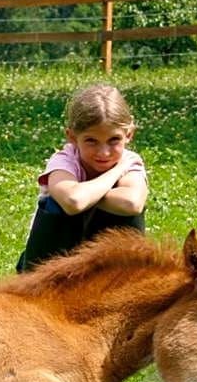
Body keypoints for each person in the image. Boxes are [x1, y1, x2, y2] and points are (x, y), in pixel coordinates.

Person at [17, 83, 147, 272]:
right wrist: (115, 173)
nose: (104, 153)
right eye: (91, 141)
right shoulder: (64, 161)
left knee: (126, 212)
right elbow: (74, 201)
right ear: (71, 136)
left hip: (109, 266)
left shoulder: (130, 161)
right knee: (57, 205)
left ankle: (125, 281)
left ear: (129, 135)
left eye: (114, 140)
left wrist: (86, 193)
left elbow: (132, 203)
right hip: (51, 262)